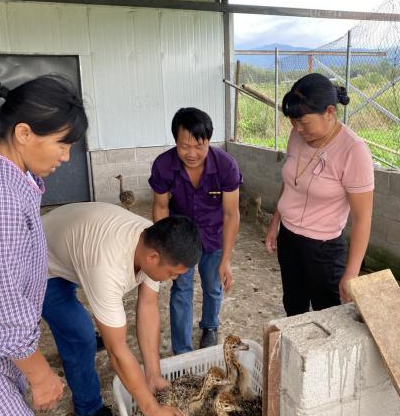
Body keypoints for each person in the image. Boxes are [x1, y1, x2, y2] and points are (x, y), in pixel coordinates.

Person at [0, 76, 88, 416]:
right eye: (61, 143)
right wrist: (40, 373)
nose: (65, 156)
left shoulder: (15, 181)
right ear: (24, 133)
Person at [41, 202, 201, 416]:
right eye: (172, 273)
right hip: (40, 262)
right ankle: (87, 411)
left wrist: (153, 374)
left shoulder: (154, 239)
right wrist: (153, 412)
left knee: (99, 329)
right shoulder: (107, 266)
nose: (173, 279)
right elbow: (117, 352)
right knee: (80, 336)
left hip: (71, 242)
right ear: (153, 257)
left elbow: (147, 306)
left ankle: (104, 342)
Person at [265, 73, 374, 316]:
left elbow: (363, 219)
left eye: (304, 122)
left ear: (329, 112)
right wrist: (275, 225)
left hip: (323, 249)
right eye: (293, 123)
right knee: (294, 306)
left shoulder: (353, 151)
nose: (298, 129)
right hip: (289, 239)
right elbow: (290, 183)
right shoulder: (297, 135)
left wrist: (351, 273)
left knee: (329, 314)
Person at [149, 107, 242, 354]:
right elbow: (160, 208)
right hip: (180, 237)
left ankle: (210, 326)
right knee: (181, 288)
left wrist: (227, 260)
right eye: (184, 146)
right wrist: (165, 251)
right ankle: (182, 348)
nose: (191, 153)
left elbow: (232, 214)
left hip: (214, 235)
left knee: (213, 285)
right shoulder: (163, 165)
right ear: (175, 142)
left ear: (209, 141)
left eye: (199, 146)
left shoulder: (226, 166)